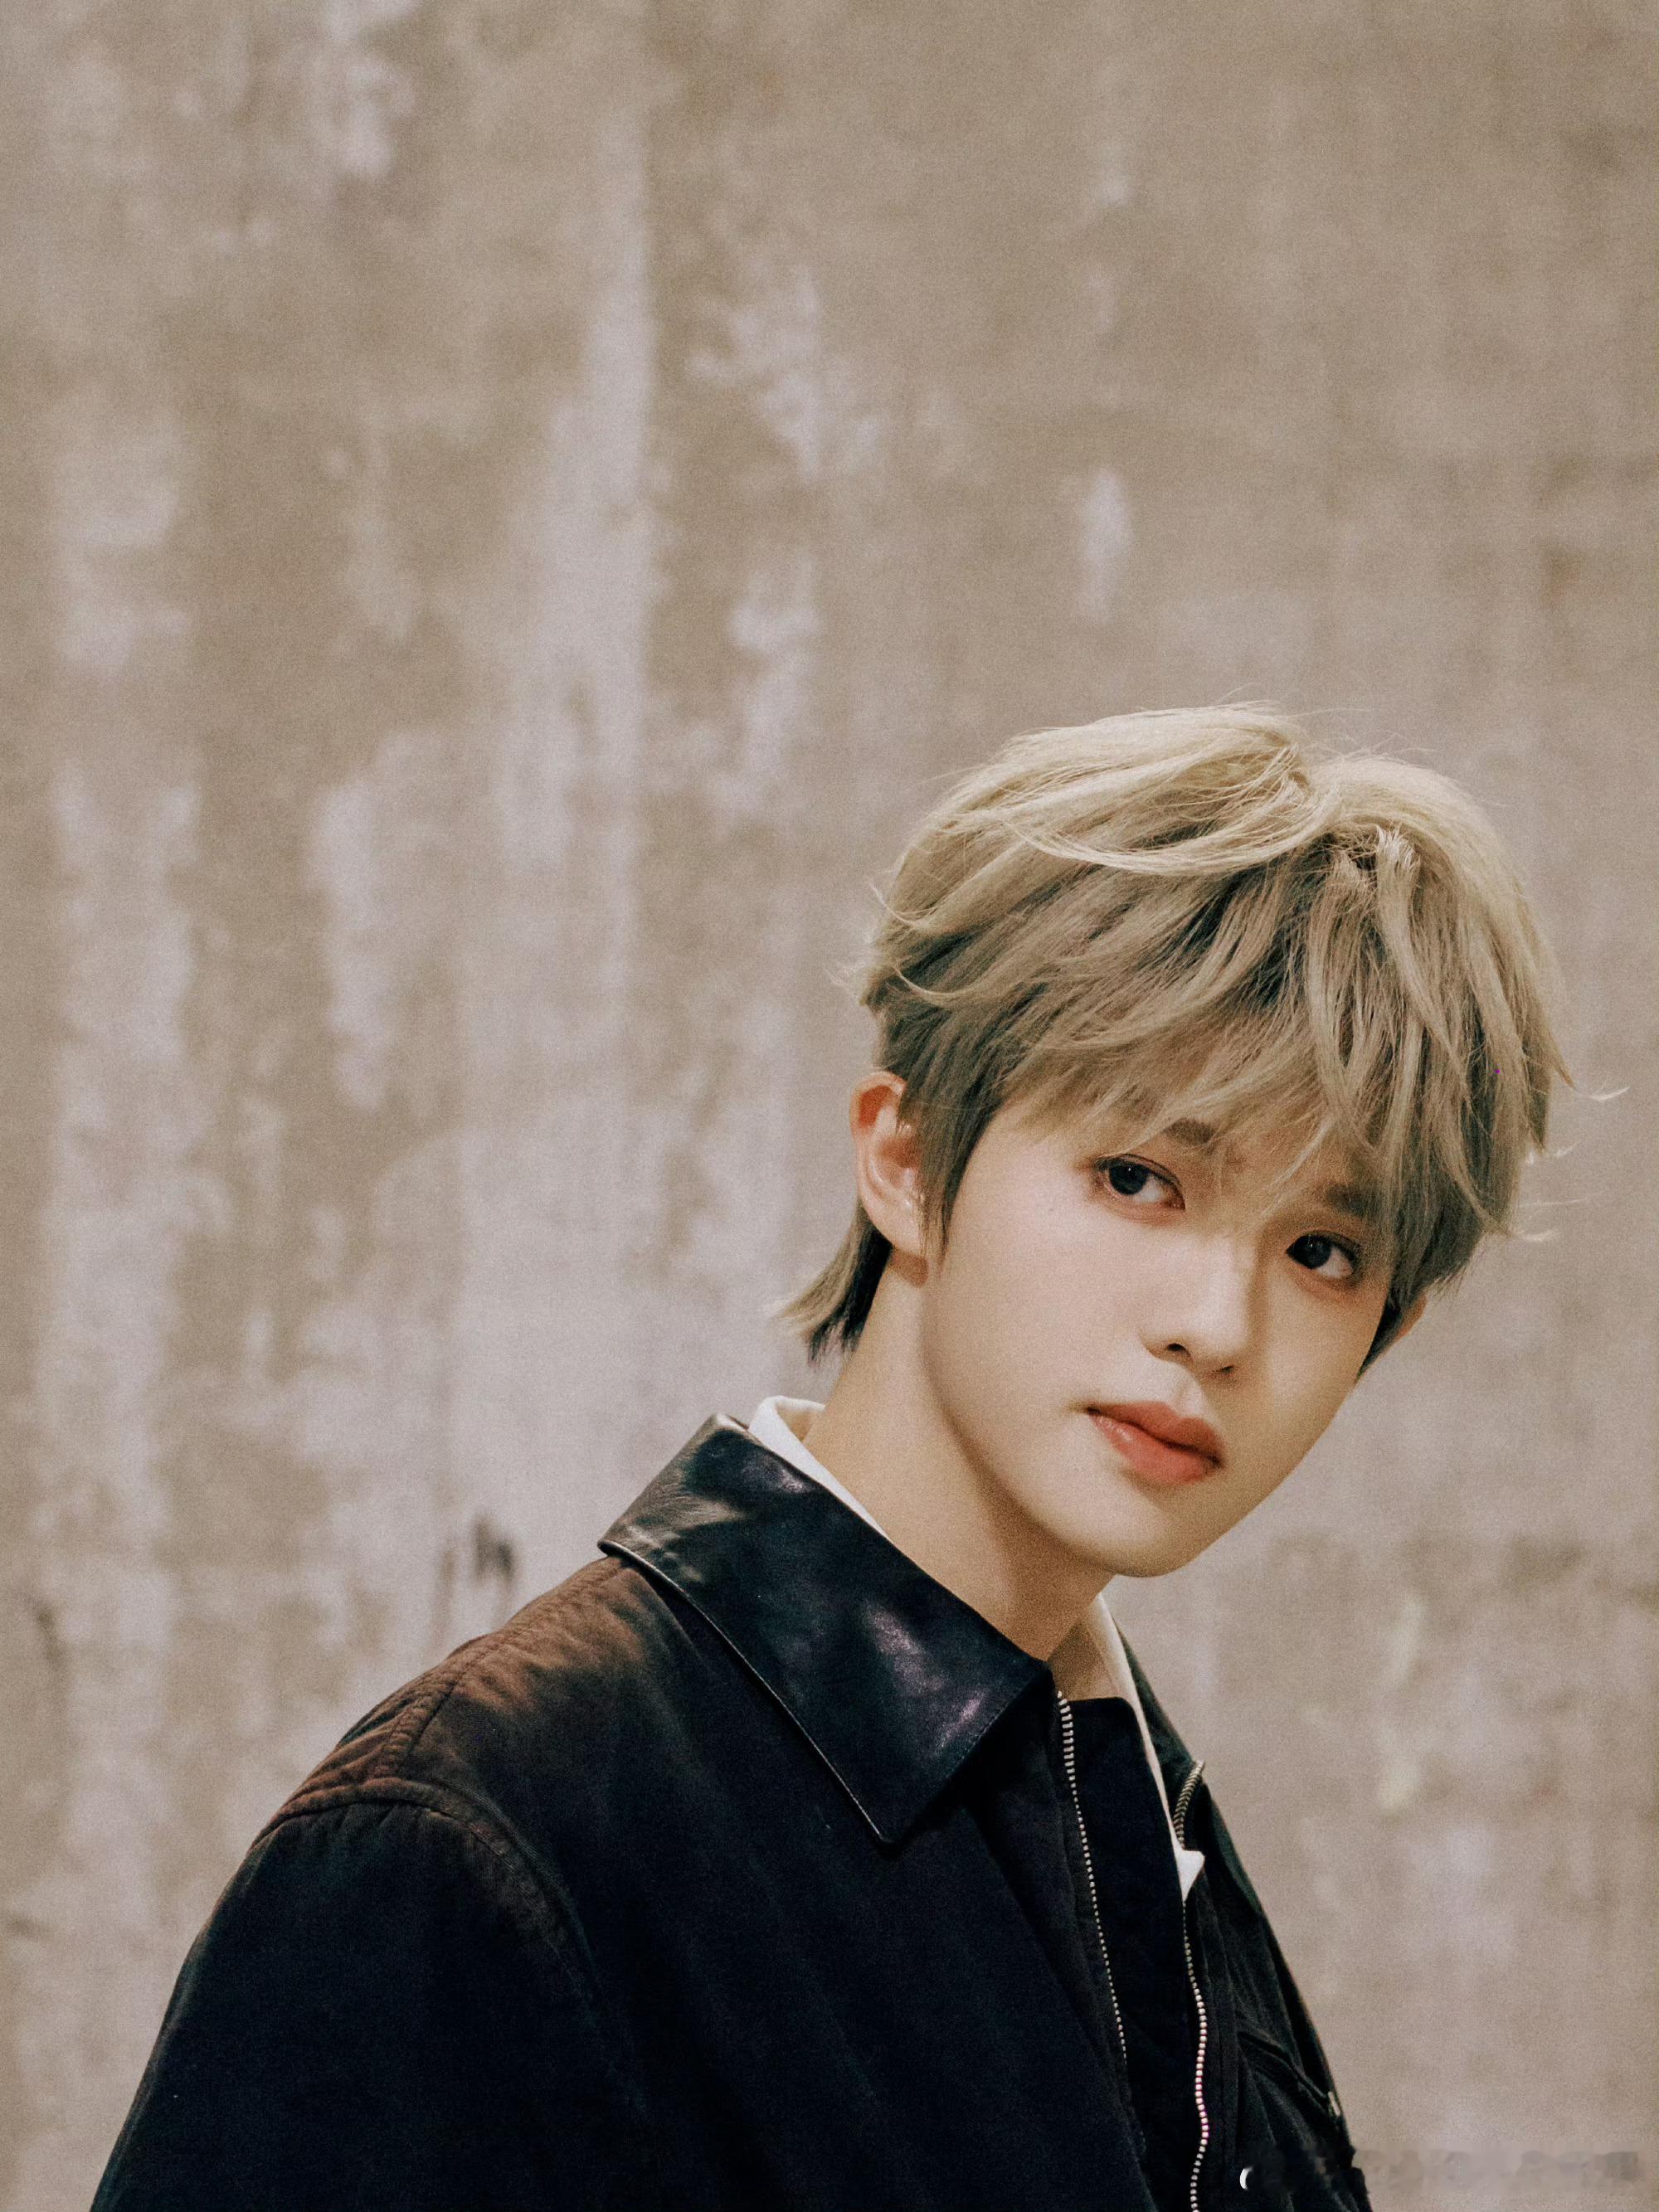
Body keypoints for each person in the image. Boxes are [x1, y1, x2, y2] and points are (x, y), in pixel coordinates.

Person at [92, 707, 1567, 2212]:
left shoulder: (1134, 1813)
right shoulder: (481, 1840)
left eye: (1321, 1250)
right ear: (907, 1165)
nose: (1218, 1323)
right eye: (1139, 1178)